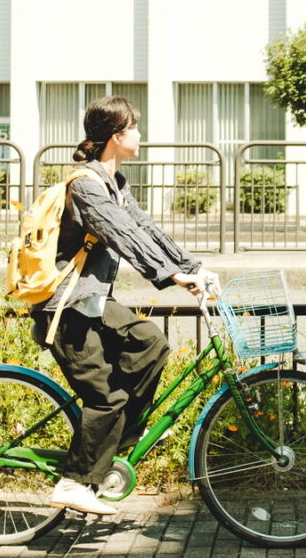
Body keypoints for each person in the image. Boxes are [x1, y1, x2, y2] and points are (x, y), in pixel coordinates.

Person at [35, 96, 214, 517]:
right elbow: (122, 236)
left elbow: (145, 228)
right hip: (65, 307)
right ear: (117, 137)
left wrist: (192, 267)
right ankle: (75, 482)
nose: (140, 135)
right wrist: (170, 276)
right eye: (135, 128)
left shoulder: (114, 183)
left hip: (94, 300)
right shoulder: (85, 185)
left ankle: (110, 446)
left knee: (150, 344)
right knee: (106, 398)